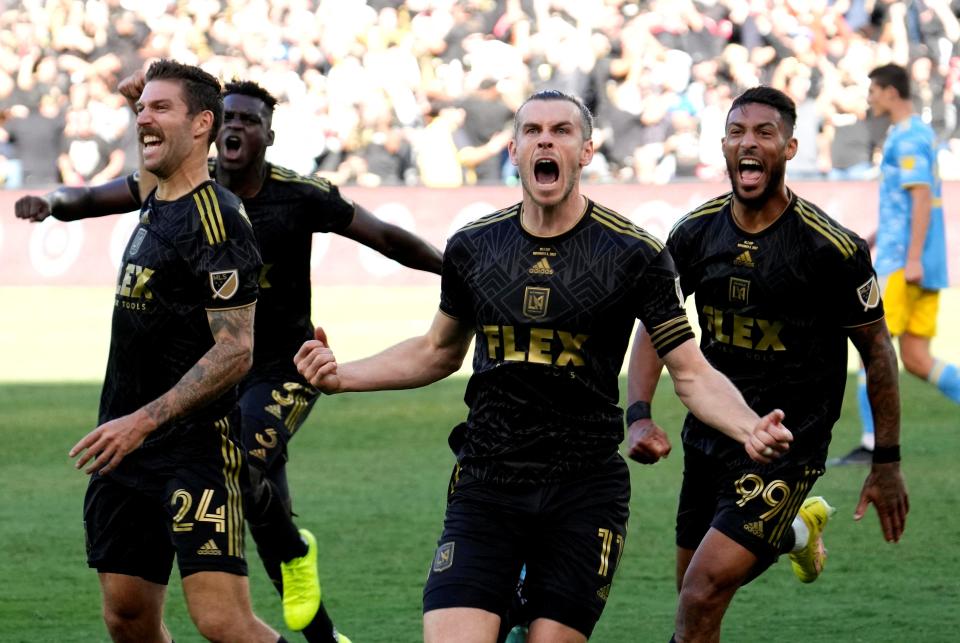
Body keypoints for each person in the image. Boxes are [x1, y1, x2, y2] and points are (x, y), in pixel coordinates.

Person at [294, 89, 794, 643]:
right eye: (533, 131)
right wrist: (343, 375)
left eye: (561, 131)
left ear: (585, 151)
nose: (546, 141)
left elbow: (692, 372)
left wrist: (749, 426)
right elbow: (438, 350)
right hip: (487, 480)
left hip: (582, 491)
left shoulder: (634, 254)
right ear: (514, 149)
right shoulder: (474, 247)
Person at [16, 74, 443, 643]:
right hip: (161, 412)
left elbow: (387, 239)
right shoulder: (163, 193)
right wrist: (52, 202)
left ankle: (296, 567)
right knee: (126, 614)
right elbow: (97, 194)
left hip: (278, 368)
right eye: (232, 116)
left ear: (264, 134)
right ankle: (293, 557)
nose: (239, 126)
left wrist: (458, 274)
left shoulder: (273, 202)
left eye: (250, 119)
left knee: (236, 510)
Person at [626, 86, 910, 643]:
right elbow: (654, 325)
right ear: (724, 145)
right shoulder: (694, 232)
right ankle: (798, 532)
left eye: (764, 133)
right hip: (711, 433)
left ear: (790, 147)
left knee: (702, 592)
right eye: (737, 132)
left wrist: (887, 460)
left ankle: (792, 518)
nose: (747, 143)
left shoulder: (832, 248)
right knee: (690, 586)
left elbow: (877, 350)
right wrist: (637, 412)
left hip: (789, 441)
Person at [64, 59, 284, 643]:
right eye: (141, 110)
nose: (144, 119)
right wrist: (142, 105)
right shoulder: (158, 199)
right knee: (128, 616)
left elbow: (236, 351)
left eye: (161, 109)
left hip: (193, 450)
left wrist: (141, 422)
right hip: (122, 448)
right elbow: (156, 151)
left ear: (203, 125)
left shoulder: (219, 221)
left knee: (223, 622)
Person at [833, 63, 959, 465]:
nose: (869, 97)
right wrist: (875, 235)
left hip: (904, 264)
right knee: (918, 359)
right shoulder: (917, 134)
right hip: (916, 257)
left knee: (872, 347)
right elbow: (910, 202)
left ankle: (872, 445)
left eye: (873, 90)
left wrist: (910, 257)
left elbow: (921, 198)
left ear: (890, 92)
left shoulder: (906, 138)